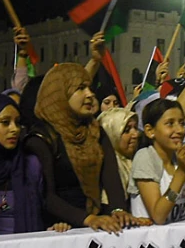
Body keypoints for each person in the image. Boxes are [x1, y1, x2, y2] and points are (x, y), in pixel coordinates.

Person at [25, 63, 144, 233]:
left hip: (95, 223)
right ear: (60, 94)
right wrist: (87, 219)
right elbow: (46, 196)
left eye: (89, 87)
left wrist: (119, 211)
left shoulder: (95, 131)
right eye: (80, 88)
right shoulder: (42, 138)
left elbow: (111, 177)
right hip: (57, 227)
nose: (90, 94)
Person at [0, 93, 69, 237]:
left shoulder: (30, 165)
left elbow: (44, 212)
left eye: (18, 122)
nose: (15, 129)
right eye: (5, 122)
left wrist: (54, 228)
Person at [129, 98, 185, 224]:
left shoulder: (182, 157)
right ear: (150, 131)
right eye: (170, 124)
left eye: (182, 123)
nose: (180, 130)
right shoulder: (145, 157)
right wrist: (181, 172)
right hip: (150, 239)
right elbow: (159, 216)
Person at [98, 108, 140, 204]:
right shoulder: (108, 167)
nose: (135, 134)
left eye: (136, 128)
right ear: (111, 133)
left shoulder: (138, 159)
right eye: (127, 130)